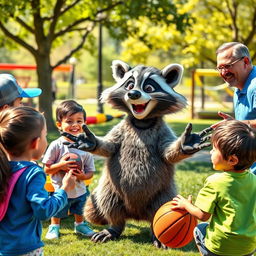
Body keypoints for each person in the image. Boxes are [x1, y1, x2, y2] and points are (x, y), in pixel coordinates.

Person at [172, 120, 256, 256]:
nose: (210, 152)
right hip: (249, 246)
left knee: (199, 229)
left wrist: (186, 205)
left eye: (214, 149)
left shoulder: (215, 182)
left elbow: (202, 215)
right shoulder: (254, 179)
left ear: (232, 160)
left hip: (221, 247)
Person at [0, 106, 76, 256]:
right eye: (46, 135)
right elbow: (43, 211)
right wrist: (64, 190)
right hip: (24, 248)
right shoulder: (32, 173)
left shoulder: (3, 167)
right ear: (35, 143)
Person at [42, 100, 95, 240]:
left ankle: (80, 224)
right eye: (69, 121)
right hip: (60, 189)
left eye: (79, 121)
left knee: (80, 208)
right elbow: (47, 169)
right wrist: (61, 166)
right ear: (59, 125)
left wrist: (83, 176)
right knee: (58, 209)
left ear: (84, 124)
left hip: (80, 189)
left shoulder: (85, 146)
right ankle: (54, 227)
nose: (75, 125)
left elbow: (91, 171)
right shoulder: (56, 145)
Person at [215, 42, 256, 174]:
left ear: (245, 62)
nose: (223, 72)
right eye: (219, 68)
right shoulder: (239, 88)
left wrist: (236, 124)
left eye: (227, 66)